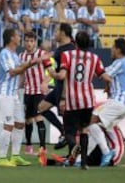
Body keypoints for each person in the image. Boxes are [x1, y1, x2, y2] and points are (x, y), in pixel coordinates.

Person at [48, 31, 110, 170]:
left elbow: (62, 75)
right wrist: (107, 88)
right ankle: (83, 163)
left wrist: (52, 72)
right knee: (84, 130)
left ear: (75, 42)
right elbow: (106, 77)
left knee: (69, 132)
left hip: (72, 101)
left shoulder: (67, 55)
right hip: (88, 101)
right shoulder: (94, 58)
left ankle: (74, 146)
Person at [0, 28, 51, 167]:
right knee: (8, 125)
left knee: (20, 123)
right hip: (5, 93)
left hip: (13, 94)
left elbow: (21, 71)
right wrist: (35, 61)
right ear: (11, 38)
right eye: (17, 36)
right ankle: (2, 158)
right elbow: (14, 72)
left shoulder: (15, 55)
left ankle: (15, 156)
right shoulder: (5, 54)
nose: (20, 38)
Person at [87, 38, 125, 167]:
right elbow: (110, 77)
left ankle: (106, 152)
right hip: (124, 105)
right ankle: (83, 157)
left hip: (118, 102)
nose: (111, 49)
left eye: (113, 47)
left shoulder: (120, 62)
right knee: (96, 128)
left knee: (90, 121)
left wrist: (91, 66)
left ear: (118, 49)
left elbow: (102, 73)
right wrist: (109, 86)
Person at [38, 23, 76, 151]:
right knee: (41, 107)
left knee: (68, 121)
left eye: (56, 31)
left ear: (63, 33)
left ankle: (72, 154)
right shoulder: (61, 48)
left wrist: (64, 97)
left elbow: (66, 75)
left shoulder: (69, 49)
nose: (54, 34)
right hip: (58, 87)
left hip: (65, 89)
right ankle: (63, 131)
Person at [19, 32, 52, 160]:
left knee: (39, 117)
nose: (29, 43)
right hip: (28, 91)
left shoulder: (41, 54)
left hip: (39, 91)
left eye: (31, 41)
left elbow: (51, 72)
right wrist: (18, 87)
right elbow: (22, 74)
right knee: (28, 119)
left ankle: (43, 147)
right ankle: (28, 147)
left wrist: (45, 82)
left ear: (35, 42)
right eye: (27, 41)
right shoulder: (21, 56)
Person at [48, 125, 125, 168]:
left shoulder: (102, 125)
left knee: (84, 154)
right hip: (108, 155)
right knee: (85, 150)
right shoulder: (108, 126)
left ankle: (61, 160)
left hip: (112, 158)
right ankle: (65, 160)